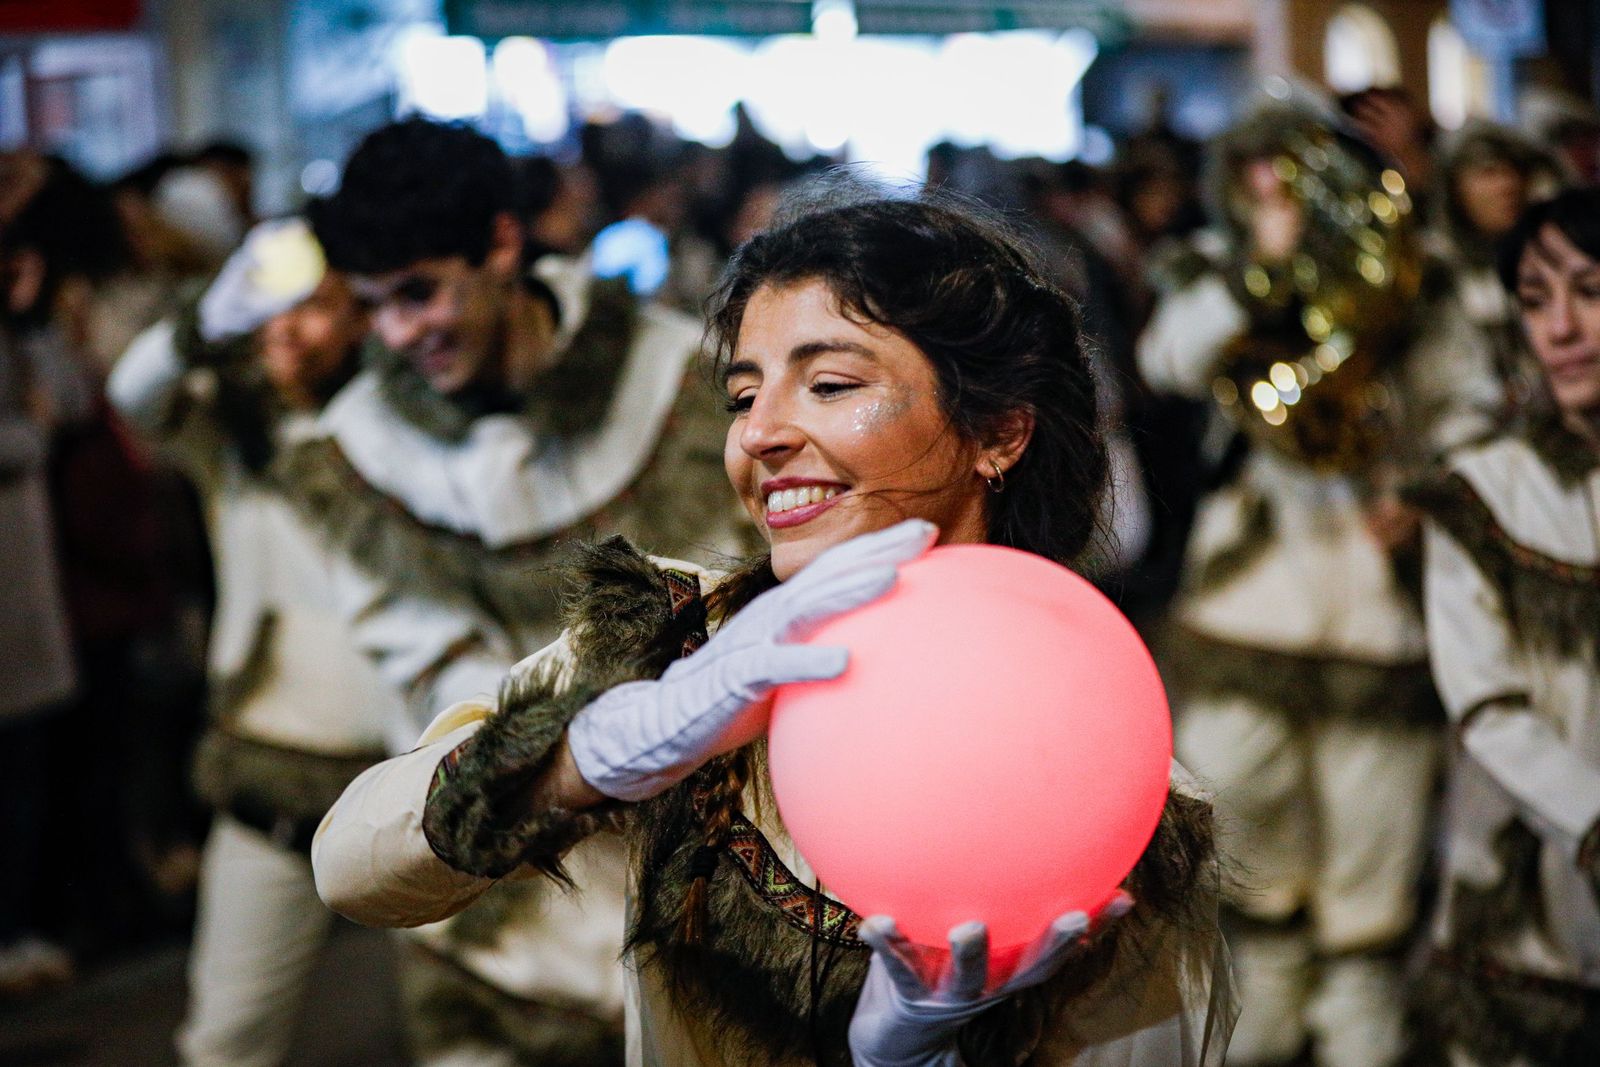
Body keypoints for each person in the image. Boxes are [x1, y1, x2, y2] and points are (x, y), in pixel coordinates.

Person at [313, 189, 1236, 1067]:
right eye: (744, 396)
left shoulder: (1102, 775)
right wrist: (585, 756)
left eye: (829, 383)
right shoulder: (677, 645)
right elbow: (350, 866)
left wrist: (915, 1056)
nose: (759, 434)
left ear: (998, 431)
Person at [285, 117, 752, 1065]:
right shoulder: (358, 448)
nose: (397, 333)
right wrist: (569, 755)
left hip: (704, 881)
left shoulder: (679, 376)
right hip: (496, 915)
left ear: (501, 244)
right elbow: (428, 673)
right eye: (373, 304)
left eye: (419, 291)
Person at [1137, 96, 1500, 1067]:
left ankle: (1358, 1021)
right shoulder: (1214, 272)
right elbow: (1168, 358)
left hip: (1377, 596)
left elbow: (1468, 406)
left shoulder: (1416, 278)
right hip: (1252, 595)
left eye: (1291, 177)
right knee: (1236, 796)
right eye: (1255, 177)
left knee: (1375, 826)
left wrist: (1429, 491)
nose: (1273, 193)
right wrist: (1261, 267)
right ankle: (1264, 1007)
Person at [110, 218, 397, 1067]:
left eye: (315, 304)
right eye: (271, 304)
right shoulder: (232, 428)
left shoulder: (410, 424)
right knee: (228, 1039)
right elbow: (132, 392)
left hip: (418, 772)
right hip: (271, 777)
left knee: (473, 1033)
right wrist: (206, 319)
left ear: (362, 315)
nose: (287, 326)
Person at [1406, 188, 1600, 1065]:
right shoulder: (1487, 489)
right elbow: (1485, 701)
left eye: (1589, 292)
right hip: (1528, 898)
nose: (1560, 328)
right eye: (1534, 300)